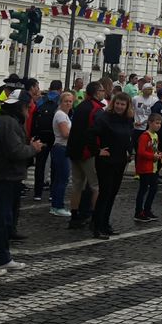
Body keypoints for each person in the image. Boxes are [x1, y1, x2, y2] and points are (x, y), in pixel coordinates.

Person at [0, 88, 43, 276]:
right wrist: (33, 149)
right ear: (20, 107)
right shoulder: (8, 124)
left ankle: (3, 257)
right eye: (27, 107)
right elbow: (15, 151)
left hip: (8, 177)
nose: (29, 111)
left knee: (5, 220)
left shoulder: (9, 121)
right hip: (2, 177)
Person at [92, 93, 134, 238]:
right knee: (105, 193)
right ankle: (97, 226)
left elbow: (129, 136)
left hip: (120, 160)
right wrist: (98, 151)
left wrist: (130, 151)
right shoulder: (104, 117)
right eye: (118, 103)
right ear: (113, 103)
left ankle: (105, 223)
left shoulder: (127, 119)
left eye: (123, 104)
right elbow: (90, 134)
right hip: (106, 161)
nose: (120, 107)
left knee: (113, 193)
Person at [65, 81, 104, 229]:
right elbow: (94, 133)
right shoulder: (96, 109)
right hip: (88, 152)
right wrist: (96, 150)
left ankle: (74, 216)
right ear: (95, 92)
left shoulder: (80, 106)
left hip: (74, 151)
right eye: (101, 90)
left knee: (77, 185)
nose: (103, 93)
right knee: (96, 186)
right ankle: (95, 218)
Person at [30, 81, 61, 201]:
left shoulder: (41, 100)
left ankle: (37, 193)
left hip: (41, 136)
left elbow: (34, 116)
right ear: (60, 89)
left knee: (40, 165)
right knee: (54, 165)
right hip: (55, 136)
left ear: (49, 88)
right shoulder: (60, 100)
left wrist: (33, 134)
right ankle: (53, 194)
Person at [134, 112, 162, 222]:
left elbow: (154, 149)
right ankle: (138, 212)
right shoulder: (144, 136)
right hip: (145, 168)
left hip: (153, 167)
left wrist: (159, 154)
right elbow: (141, 152)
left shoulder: (155, 135)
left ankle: (147, 209)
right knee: (143, 190)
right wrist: (153, 156)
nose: (158, 125)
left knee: (153, 189)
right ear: (150, 123)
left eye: (160, 123)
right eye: (156, 123)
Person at [49, 91, 75, 217]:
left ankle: (56, 204)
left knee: (59, 178)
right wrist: (77, 134)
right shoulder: (60, 115)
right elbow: (65, 134)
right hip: (61, 148)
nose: (68, 103)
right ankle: (57, 206)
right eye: (66, 101)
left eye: (70, 101)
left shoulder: (64, 115)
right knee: (62, 179)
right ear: (61, 102)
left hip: (62, 148)